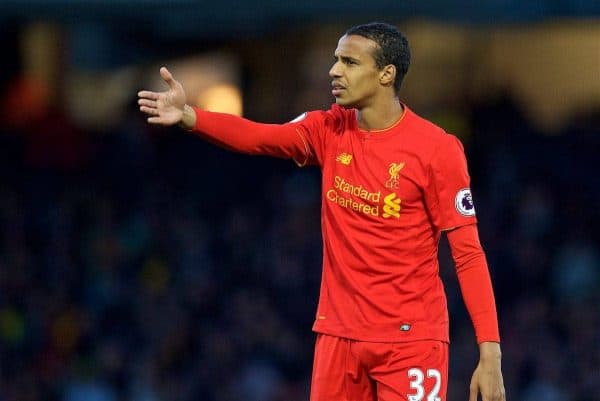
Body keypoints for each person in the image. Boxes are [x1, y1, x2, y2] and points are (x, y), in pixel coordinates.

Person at [138, 22, 506, 401]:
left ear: (386, 73)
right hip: (338, 337)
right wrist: (190, 116)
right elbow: (262, 137)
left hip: (410, 341)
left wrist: (489, 351)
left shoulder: (437, 150)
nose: (334, 71)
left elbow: (468, 254)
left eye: (349, 62)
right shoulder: (329, 129)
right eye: (336, 60)